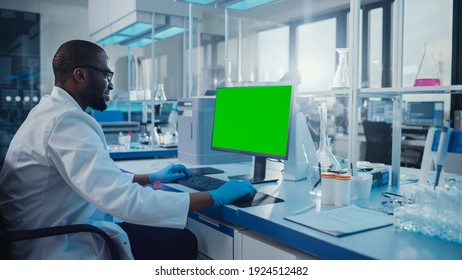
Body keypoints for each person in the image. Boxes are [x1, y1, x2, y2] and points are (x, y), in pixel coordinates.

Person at [0, 40, 257, 260]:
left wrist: (150, 178)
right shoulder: (66, 120)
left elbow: (96, 180)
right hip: (57, 245)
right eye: (106, 75)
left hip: (49, 229)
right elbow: (124, 201)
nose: (110, 85)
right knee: (182, 241)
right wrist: (215, 197)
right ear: (80, 75)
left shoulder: (49, 111)